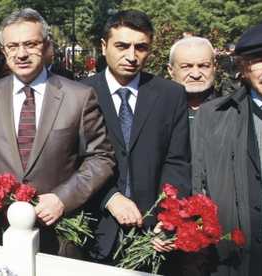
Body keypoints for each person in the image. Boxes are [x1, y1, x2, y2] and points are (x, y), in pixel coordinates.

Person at [0, 8, 115, 259]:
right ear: (3, 51)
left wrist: (62, 198)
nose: (21, 53)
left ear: (46, 46)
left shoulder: (78, 97)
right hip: (3, 233)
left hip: (60, 237)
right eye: (13, 46)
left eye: (30, 44)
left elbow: (101, 158)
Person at [81, 10, 191, 267]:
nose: (132, 56)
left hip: (152, 233)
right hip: (93, 228)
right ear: (103, 46)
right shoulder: (79, 93)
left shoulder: (170, 95)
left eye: (140, 47)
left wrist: (169, 217)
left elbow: (177, 162)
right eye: (122, 46)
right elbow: (71, 160)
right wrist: (109, 197)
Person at [192, 21, 262, 276]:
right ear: (244, 67)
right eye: (260, 59)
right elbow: (197, 184)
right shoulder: (214, 116)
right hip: (236, 259)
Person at [167, 36, 219, 131]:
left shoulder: (232, 109)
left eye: (203, 66)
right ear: (171, 70)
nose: (196, 74)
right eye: (186, 67)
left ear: (215, 67)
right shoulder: (157, 110)